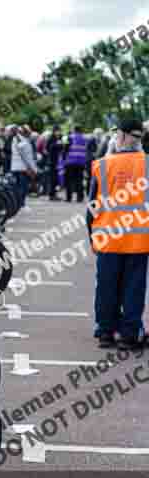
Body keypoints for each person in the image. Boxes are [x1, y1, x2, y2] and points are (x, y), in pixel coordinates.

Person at [88, 118, 148, 351]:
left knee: (106, 286)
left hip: (108, 236)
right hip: (139, 240)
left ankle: (105, 332)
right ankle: (128, 335)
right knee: (133, 288)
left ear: (121, 137)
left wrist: (91, 235)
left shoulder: (102, 165)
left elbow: (92, 206)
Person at [10, 125, 38, 208]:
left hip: (17, 167)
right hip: (23, 168)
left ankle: (18, 203)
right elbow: (26, 156)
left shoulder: (17, 139)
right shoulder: (22, 141)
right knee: (23, 187)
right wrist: (33, 168)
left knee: (19, 186)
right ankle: (20, 203)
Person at [62, 125, 87, 202]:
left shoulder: (69, 137)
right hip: (81, 162)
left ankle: (68, 198)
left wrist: (63, 159)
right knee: (79, 180)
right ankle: (80, 197)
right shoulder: (84, 138)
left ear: (74, 130)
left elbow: (65, 149)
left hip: (70, 162)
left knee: (69, 180)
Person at [45, 126, 63, 200]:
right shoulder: (51, 138)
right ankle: (51, 194)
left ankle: (54, 194)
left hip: (58, 161)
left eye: (59, 131)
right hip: (52, 161)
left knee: (56, 179)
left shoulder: (59, 138)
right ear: (54, 131)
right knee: (52, 179)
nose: (58, 132)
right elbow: (48, 148)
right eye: (57, 131)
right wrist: (57, 144)